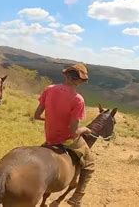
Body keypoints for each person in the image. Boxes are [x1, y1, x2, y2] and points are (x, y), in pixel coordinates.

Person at [33, 63, 94, 206]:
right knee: (90, 163)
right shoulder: (78, 99)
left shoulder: (49, 89)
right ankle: (77, 197)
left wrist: (51, 119)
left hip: (50, 138)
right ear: (80, 81)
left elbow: (37, 115)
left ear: (65, 75)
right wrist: (84, 129)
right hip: (66, 140)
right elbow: (73, 133)